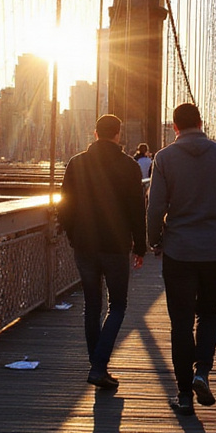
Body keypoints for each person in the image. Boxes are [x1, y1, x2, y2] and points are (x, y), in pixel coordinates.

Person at [147, 102, 216, 416]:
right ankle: (202, 371)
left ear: (175, 127)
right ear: (201, 122)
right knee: (209, 312)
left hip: (178, 250)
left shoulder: (163, 158)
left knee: (180, 322)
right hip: (215, 249)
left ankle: (184, 394)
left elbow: (154, 208)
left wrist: (154, 241)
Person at [57, 114, 147, 390]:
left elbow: (65, 204)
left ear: (95, 133)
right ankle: (98, 367)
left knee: (92, 306)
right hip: (115, 246)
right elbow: (136, 211)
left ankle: (98, 366)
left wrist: (73, 236)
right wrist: (140, 246)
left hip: (85, 245)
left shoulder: (76, 163)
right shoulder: (129, 166)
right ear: (118, 135)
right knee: (117, 305)